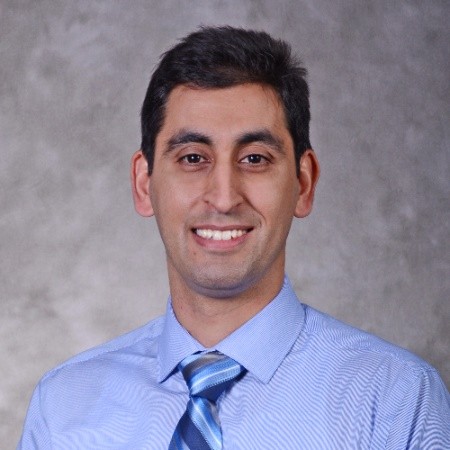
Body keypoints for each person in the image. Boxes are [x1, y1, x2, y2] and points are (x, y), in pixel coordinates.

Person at [18, 26, 449, 449]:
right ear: (144, 184)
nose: (224, 198)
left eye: (255, 158)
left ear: (303, 183)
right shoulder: (64, 406)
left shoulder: (395, 401)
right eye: (192, 158)